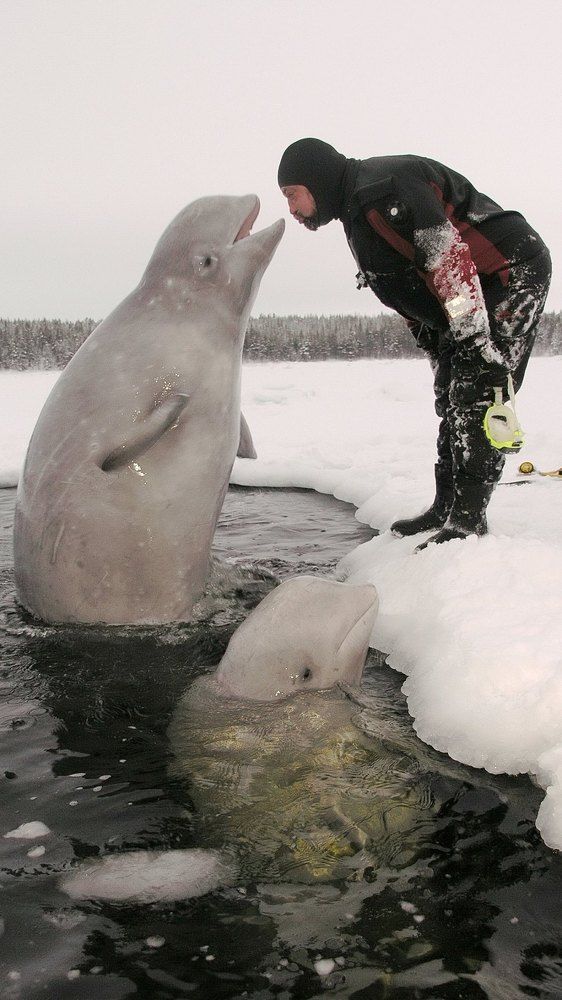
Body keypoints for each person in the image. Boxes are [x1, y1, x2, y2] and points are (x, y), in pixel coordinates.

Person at [278, 138, 552, 546]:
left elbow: (445, 258)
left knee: (479, 388)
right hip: (462, 296)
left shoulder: (385, 189)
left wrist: (474, 338)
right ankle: (446, 505)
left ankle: (468, 521)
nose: (291, 208)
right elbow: (405, 288)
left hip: (507, 272)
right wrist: (437, 347)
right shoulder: (357, 213)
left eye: (291, 194)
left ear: (315, 180)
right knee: (450, 391)